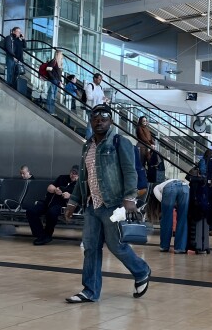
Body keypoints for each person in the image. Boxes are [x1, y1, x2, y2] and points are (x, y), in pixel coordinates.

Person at [64, 104, 150, 303]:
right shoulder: (88, 145)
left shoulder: (120, 142)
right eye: (95, 118)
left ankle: (142, 270)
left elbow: (131, 172)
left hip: (113, 204)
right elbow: (84, 177)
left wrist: (129, 199)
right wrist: (73, 202)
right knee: (91, 247)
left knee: (116, 245)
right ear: (91, 120)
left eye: (104, 118)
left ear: (110, 120)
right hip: (92, 205)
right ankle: (90, 291)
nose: (99, 121)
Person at [27, 165, 78, 246]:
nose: (73, 175)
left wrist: (70, 196)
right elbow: (49, 187)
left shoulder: (79, 184)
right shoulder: (62, 178)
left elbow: (81, 197)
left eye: (75, 174)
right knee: (31, 211)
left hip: (62, 205)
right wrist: (55, 190)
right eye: (72, 173)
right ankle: (41, 235)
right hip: (47, 202)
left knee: (52, 212)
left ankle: (47, 234)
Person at [146, 177, 190, 254]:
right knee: (183, 219)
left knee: (166, 218)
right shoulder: (171, 181)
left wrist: (171, 204)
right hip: (185, 187)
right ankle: (180, 248)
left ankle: (164, 246)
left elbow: (162, 200)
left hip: (170, 188)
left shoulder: (156, 188)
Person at [39, 50, 63, 114]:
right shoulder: (53, 61)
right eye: (61, 54)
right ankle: (49, 109)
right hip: (53, 80)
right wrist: (53, 78)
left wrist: (60, 80)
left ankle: (51, 110)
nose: (62, 56)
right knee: (51, 95)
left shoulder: (59, 63)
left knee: (54, 96)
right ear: (57, 55)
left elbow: (59, 73)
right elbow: (48, 70)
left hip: (57, 81)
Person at [84, 73, 107, 138]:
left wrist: (104, 99)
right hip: (90, 108)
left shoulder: (100, 87)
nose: (100, 81)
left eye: (101, 79)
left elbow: (102, 96)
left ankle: (94, 138)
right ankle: (88, 137)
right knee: (91, 124)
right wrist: (99, 97)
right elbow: (89, 97)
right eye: (99, 79)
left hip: (97, 108)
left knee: (95, 124)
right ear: (95, 78)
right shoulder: (90, 86)